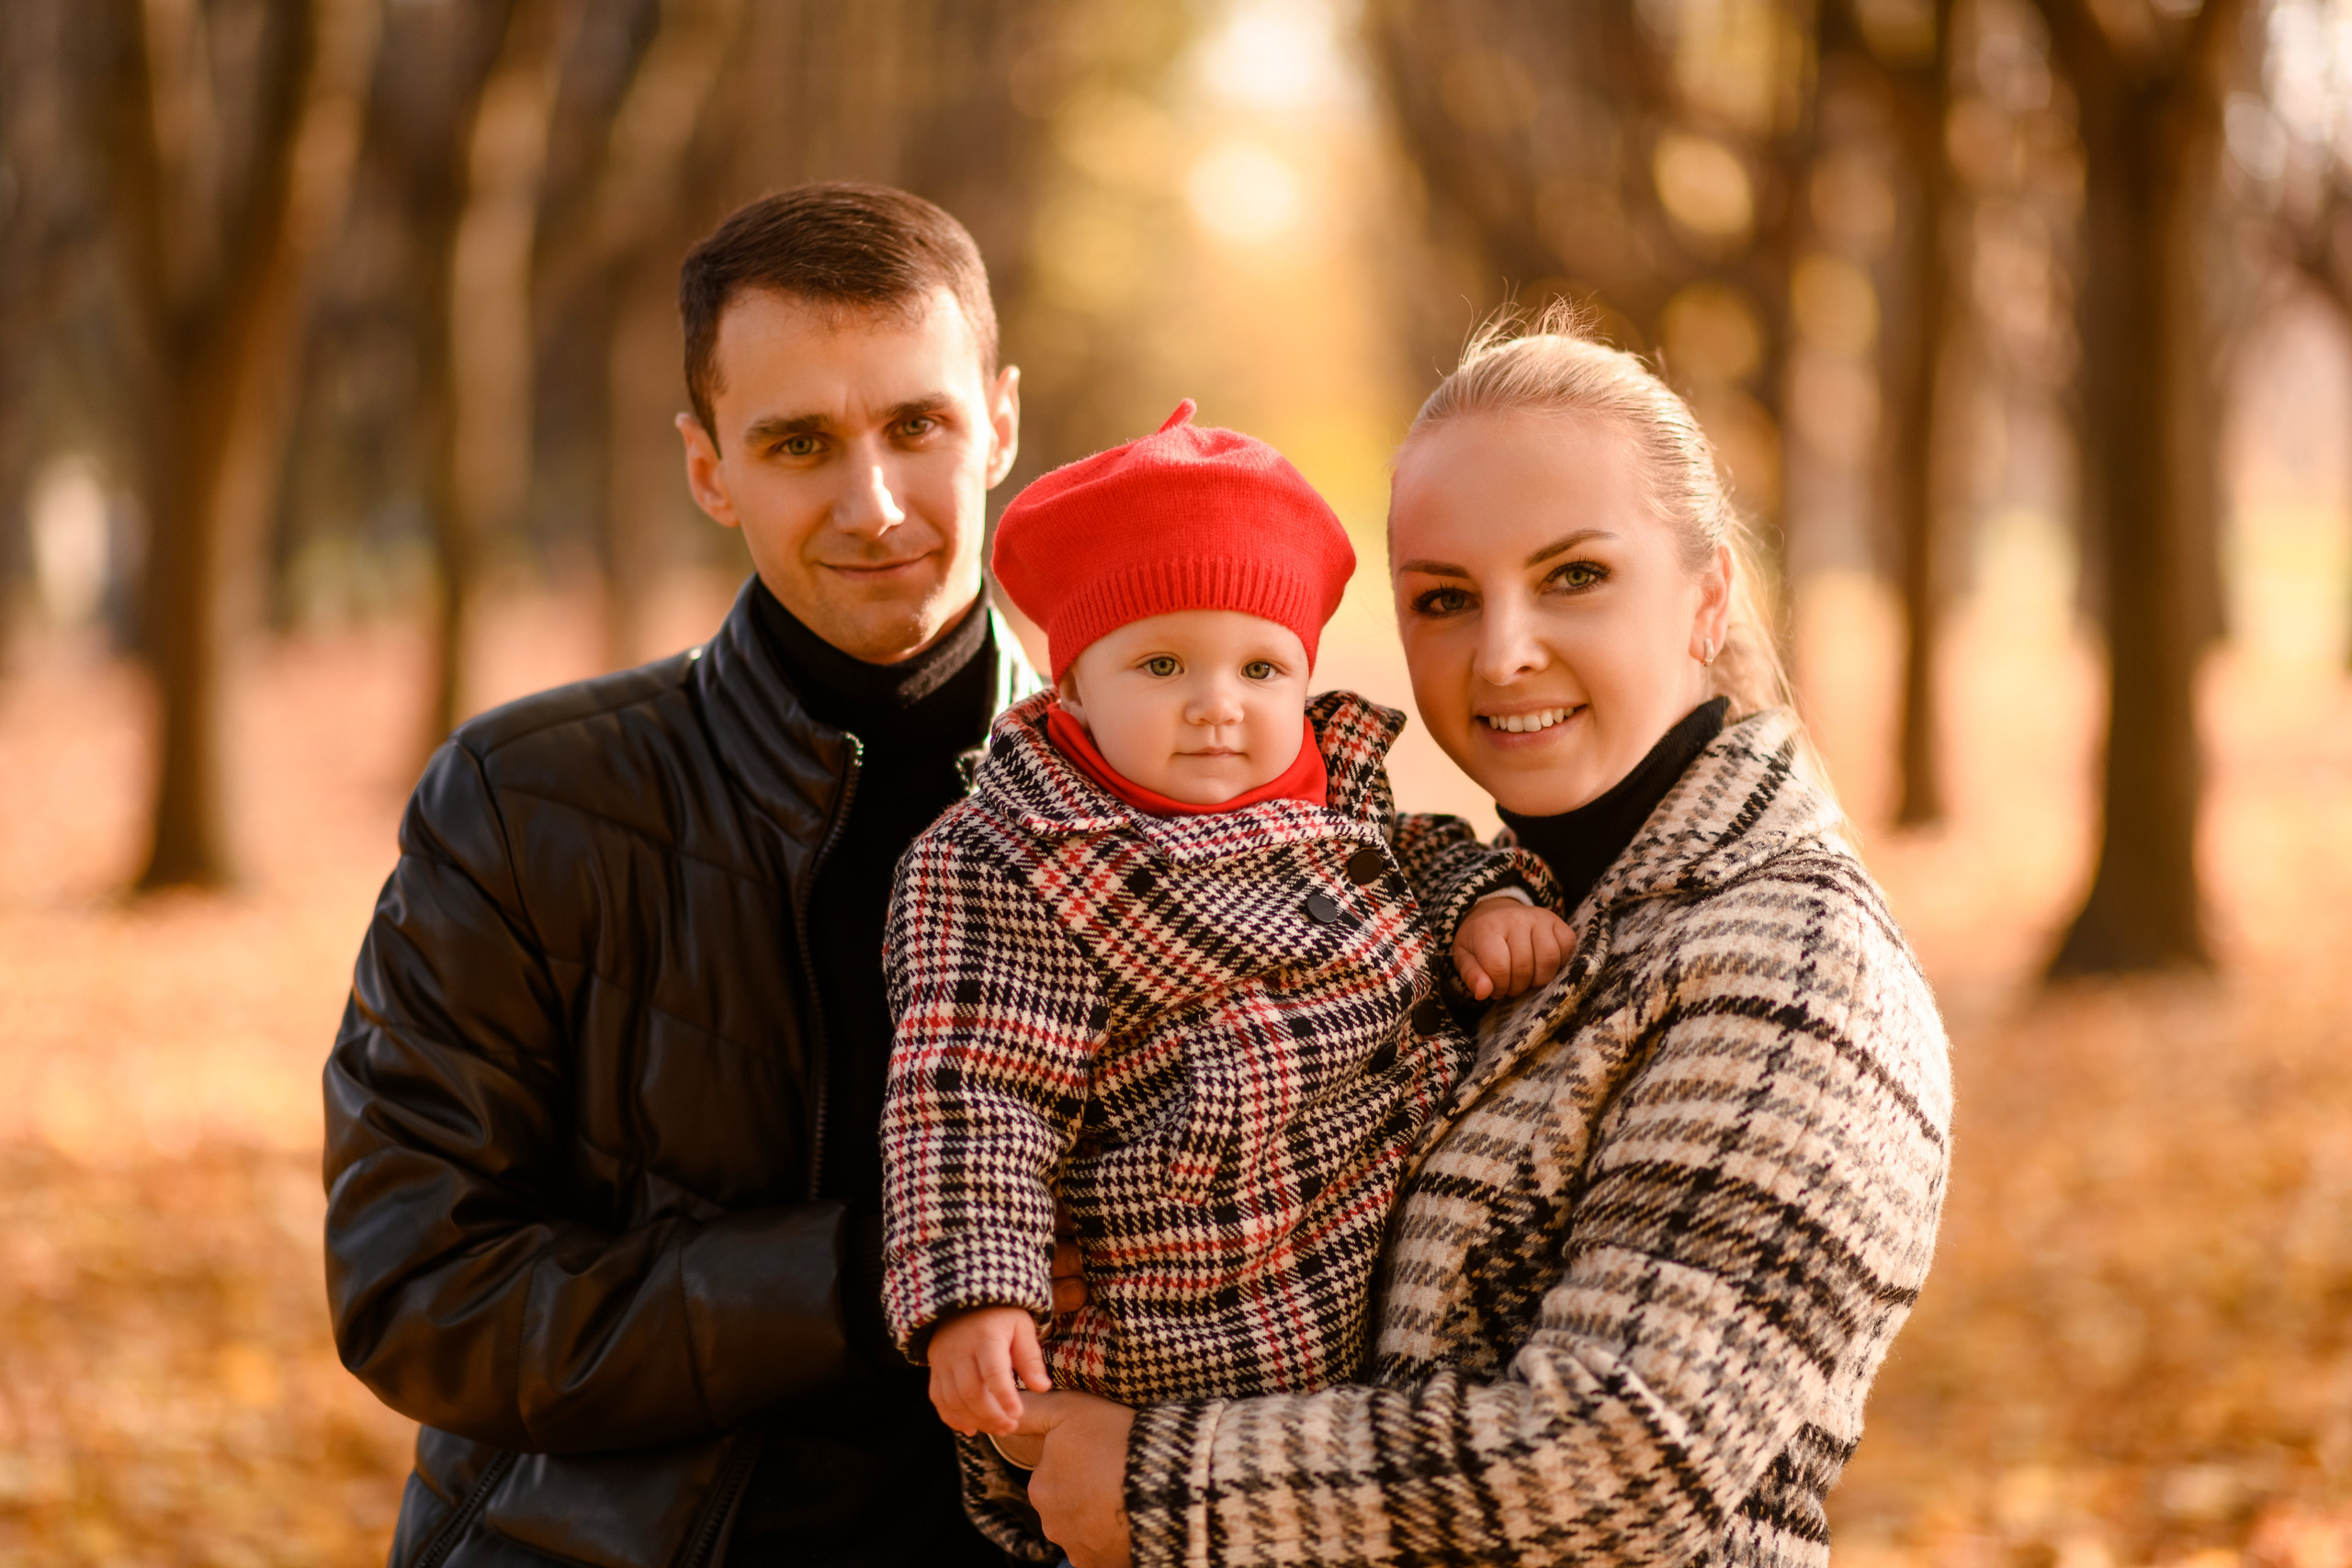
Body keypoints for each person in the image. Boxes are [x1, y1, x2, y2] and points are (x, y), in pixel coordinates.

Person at [1003, 310, 1955, 1568]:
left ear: (1709, 591)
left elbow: (1624, 1459)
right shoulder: (1449, 905)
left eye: (1574, 575)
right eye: (1446, 597)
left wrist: (1159, 1483)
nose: (1503, 653)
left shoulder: (1793, 963)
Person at [322, 183, 1068, 1568]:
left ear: (1001, 420)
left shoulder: (1154, 805)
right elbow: (417, 1290)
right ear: (708, 464)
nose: (875, 500)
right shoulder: (526, 802)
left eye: (919, 424)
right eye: (800, 441)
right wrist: (871, 1271)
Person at [876, 403, 1574, 1557]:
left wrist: (1485, 906)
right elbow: (971, 1087)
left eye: (1261, 666)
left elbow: (1426, 850)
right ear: (1074, 688)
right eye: (1161, 664)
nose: (1219, 703)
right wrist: (972, 1287)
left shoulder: (1338, 793)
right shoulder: (1013, 856)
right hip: (1167, 1336)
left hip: (1369, 1317)